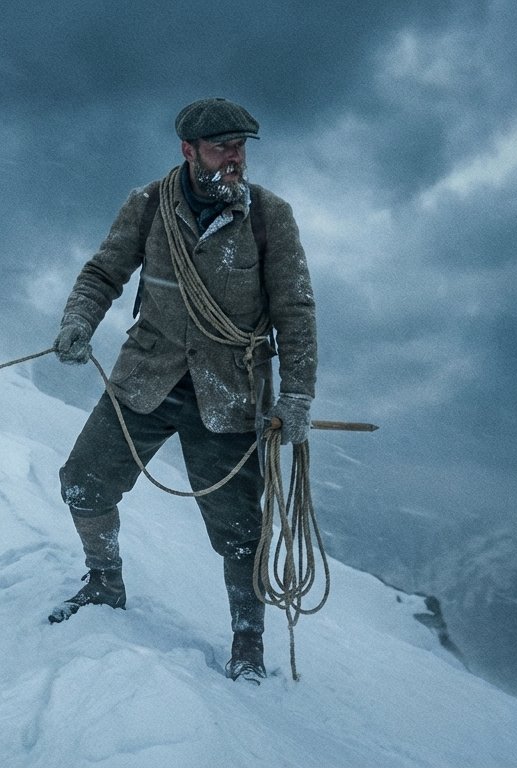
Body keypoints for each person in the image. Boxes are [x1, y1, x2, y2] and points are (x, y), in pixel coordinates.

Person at [48, 98, 317, 684]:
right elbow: (103, 273)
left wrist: (297, 396)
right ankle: (104, 581)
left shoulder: (271, 216)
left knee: (240, 532)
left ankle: (247, 642)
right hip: (147, 376)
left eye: (242, 147)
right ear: (188, 151)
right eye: (224, 147)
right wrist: (78, 321)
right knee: (82, 483)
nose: (236, 159)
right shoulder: (147, 206)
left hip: (231, 393)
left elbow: (295, 310)